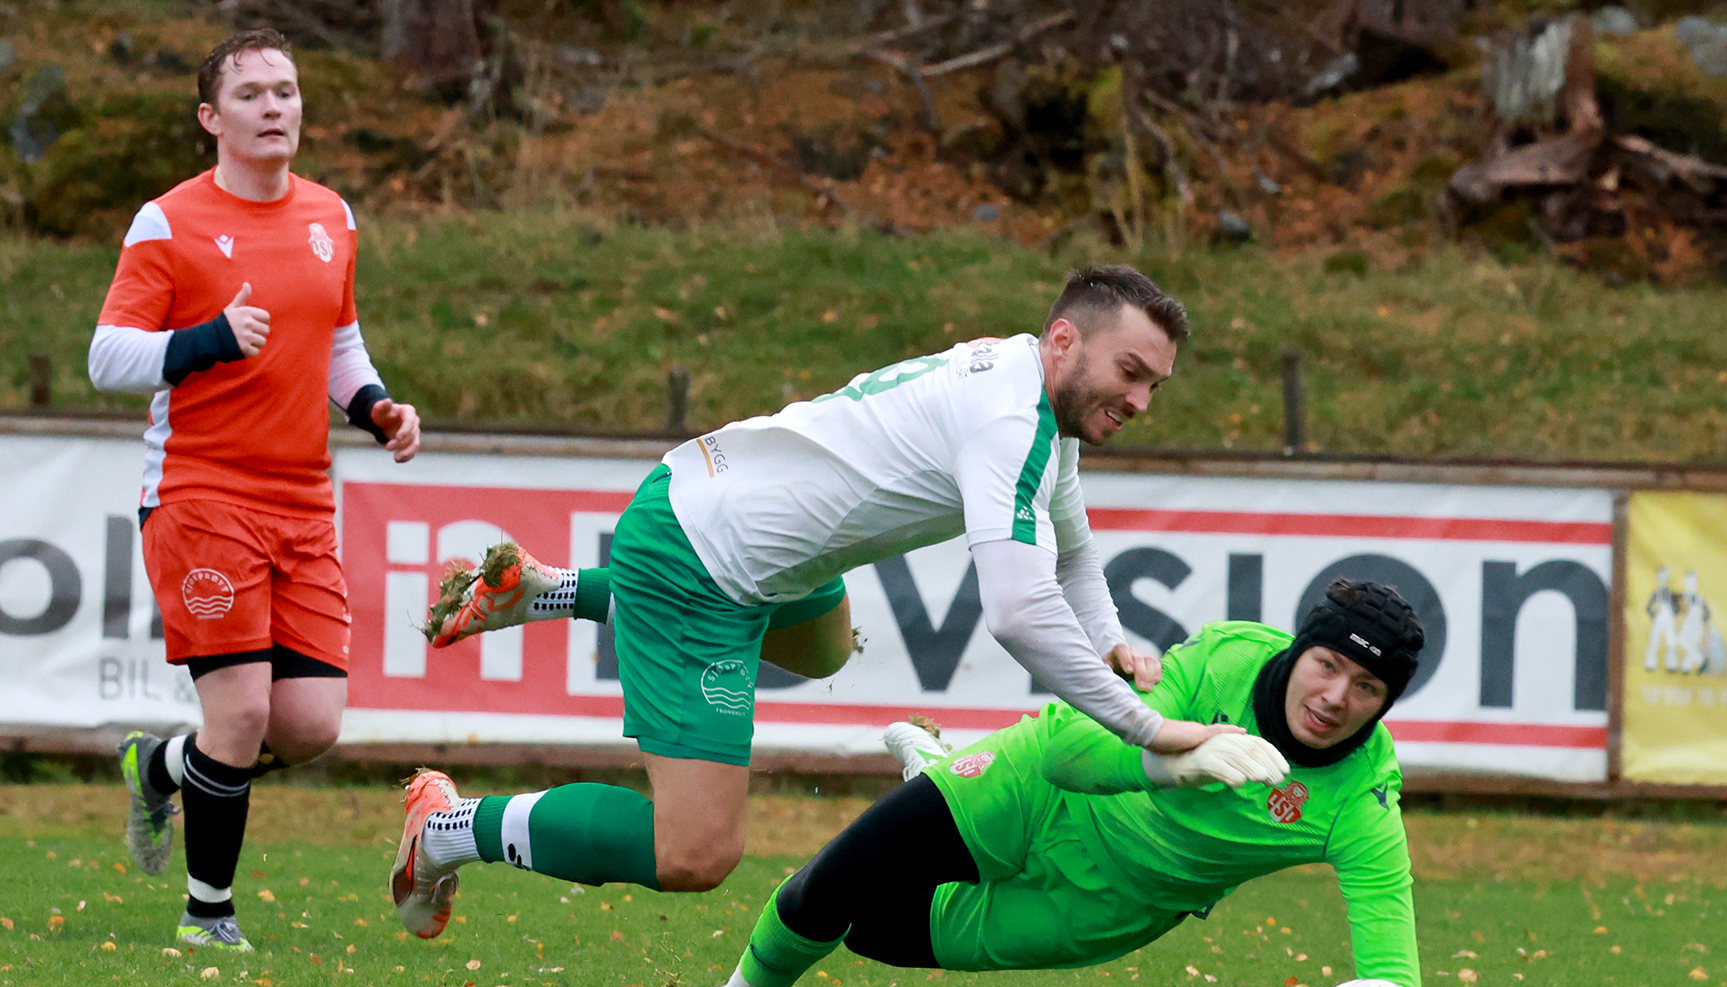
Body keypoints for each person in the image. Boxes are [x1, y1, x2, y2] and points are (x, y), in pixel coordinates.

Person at [390, 266, 1236, 939]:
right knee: (694, 853)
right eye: (1131, 373)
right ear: (1064, 338)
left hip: (739, 514)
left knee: (828, 649)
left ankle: (545, 594)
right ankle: (446, 828)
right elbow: (1017, 611)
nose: (1140, 401)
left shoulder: (1028, 392)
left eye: (1156, 384)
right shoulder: (1010, 423)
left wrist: (1112, 638)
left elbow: (1075, 551)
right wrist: (1148, 729)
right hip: (700, 562)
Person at [664, 579, 1427, 987]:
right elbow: (1070, 750)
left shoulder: (1363, 795)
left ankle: (927, 775)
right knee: (828, 890)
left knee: (872, 930)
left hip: (1109, 903)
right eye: (1328, 665)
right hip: (1039, 790)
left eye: (1367, 688)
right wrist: (1174, 757)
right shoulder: (1225, 658)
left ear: (1386, 705)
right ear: (1300, 652)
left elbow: (1388, 943)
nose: (1335, 697)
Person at [89, 28, 421, 951]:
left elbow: (337, 338)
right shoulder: (169, 221)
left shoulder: (332, 215)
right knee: (238, 711)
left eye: (287, 90)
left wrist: (377, 407)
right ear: (211, 118)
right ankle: (209, 917)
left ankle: (158, 768)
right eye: (252, 95)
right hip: (200, 492)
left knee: (308, 724)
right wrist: (206, 338)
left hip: (301, 499)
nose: (275, 107)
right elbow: (107, 355)